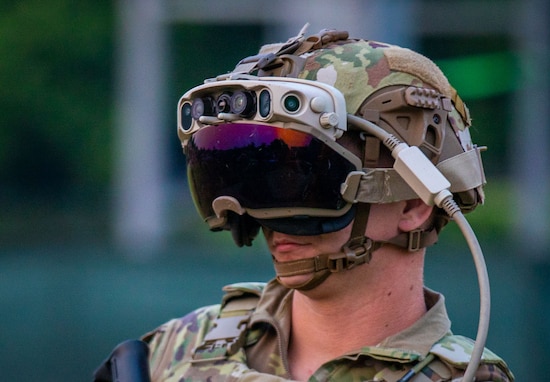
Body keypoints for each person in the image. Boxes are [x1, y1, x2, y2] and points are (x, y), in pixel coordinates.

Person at [142, 27, 514, 381]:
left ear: (413, 205)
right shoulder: (178, 348)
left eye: (300, 181)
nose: (265, 219)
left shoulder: (464, 378)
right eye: (254, 183)